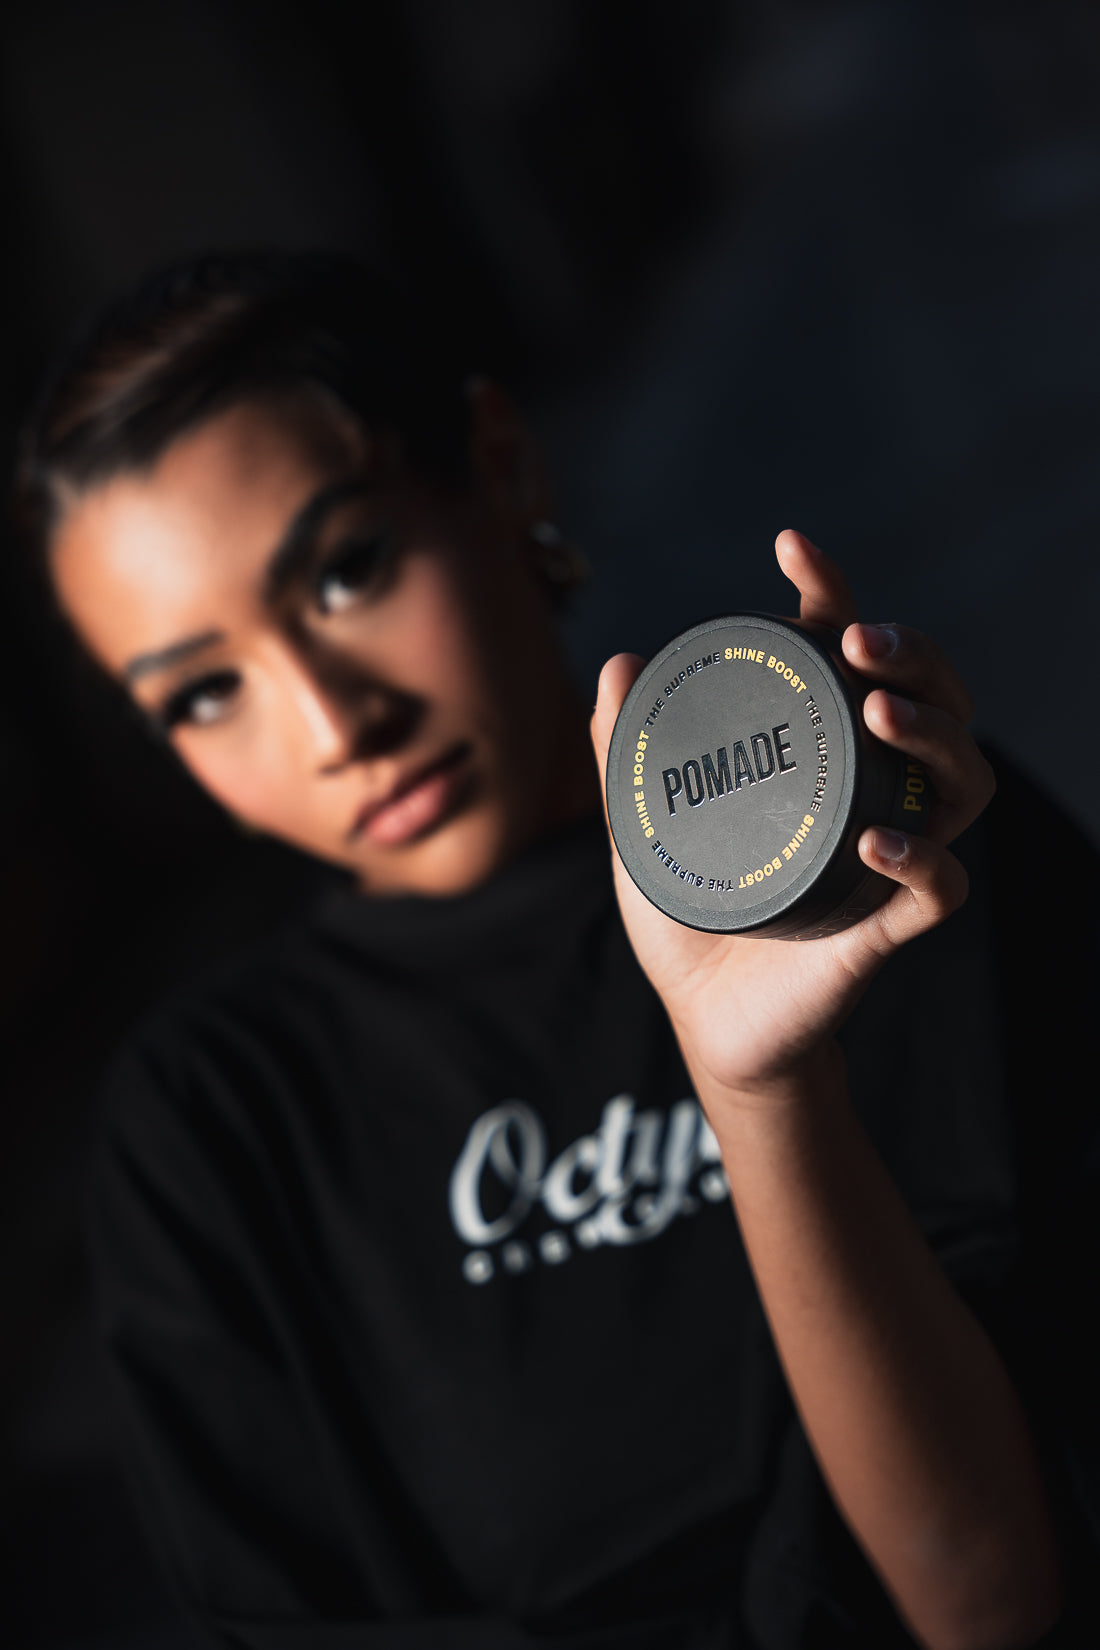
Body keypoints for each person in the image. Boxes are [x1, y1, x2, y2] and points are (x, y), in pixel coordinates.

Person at [16, 253, 1098, 1649]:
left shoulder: (902, 864)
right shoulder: (214, 1125)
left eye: (347, 572)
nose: (334, 726)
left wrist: (764, 1096)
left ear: (500, 462)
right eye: (206, 694)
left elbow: (992, 1599)